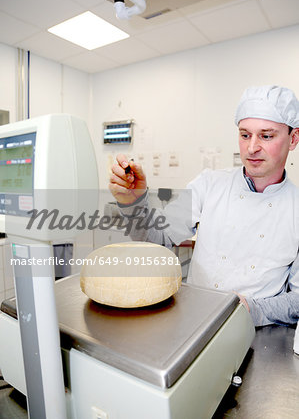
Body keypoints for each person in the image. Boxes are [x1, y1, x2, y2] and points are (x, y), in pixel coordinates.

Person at [109, 85, 299, 327]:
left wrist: (251, 309)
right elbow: (157, 240)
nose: (252, 148)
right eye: (244, 135)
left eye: (266, 136)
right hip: (194, 324)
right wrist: (134, 203)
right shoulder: (209, 184)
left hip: (258, 335)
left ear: (293, 139)